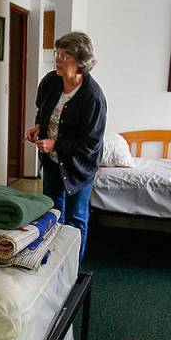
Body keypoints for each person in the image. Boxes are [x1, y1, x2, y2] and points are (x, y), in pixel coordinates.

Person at [25, 31, 107, 261]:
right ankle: (51, 263)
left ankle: (72, 270)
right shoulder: (51, 81)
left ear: (81, 61)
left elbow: (90, 144)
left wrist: (56, 144)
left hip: (79, 167)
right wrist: (38, 127)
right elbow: (43, 110)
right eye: (57, 53)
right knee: (51, 213)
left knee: (75, 219)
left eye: (64, 55)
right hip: (52, 163)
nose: (57, 60)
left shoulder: (93, 97)